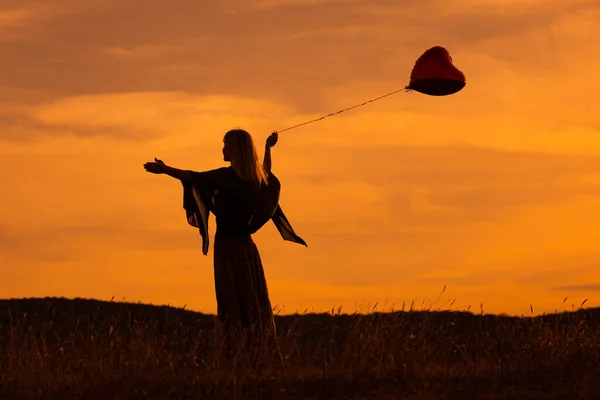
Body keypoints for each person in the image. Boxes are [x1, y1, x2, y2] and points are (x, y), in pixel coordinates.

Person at [143, 129, 306, 355]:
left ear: (235, 149)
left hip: (228, 248)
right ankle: (257, 352)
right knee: (252, 300)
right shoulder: (253, 180)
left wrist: (165, 170)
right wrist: (267, 148)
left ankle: (237, 354)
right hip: (248, 249)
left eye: (225, 145)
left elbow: (194, 177)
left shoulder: (227, 177)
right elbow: (266, 175)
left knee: (232, 299)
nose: (222, 149)